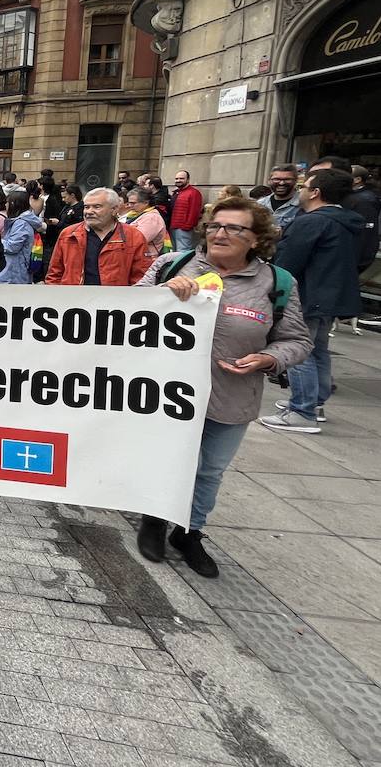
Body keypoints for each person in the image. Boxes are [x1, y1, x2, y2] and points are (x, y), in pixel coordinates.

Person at [136, 197, 312, 577]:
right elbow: (127, 315)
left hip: (231, 397)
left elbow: (297, 340)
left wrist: (269, 359)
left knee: (210, 469)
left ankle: (189, 532)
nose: (221, 233)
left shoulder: (277, 283)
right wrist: (161, 295)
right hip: (165, 394)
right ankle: (154, 519)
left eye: (234, 228)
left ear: (256, 239)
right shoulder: (171, 265)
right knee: (165, 459)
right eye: (215, 225)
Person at [258, 168, 364, 433]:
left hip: (308, 295)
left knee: (297, 351)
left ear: (316, 193)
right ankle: (314, 402)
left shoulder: (312, 222)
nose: (301, 191)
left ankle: (302, 410)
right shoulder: (346, 220)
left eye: (305, 187)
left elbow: (288, 264)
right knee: (317, 349)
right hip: (330, 296)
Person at [44, 188, 157, 287]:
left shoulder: (133, 237)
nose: (89, 212)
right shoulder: (68, 234)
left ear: (114, 210)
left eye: (97, 207)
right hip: (75, 304)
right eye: (86, 207)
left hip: (114, 306)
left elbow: (141, 278)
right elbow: (54, 274)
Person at [0, 190, 45, 285]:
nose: (6, 206)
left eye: (7, 203)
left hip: (13, 274)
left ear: (13, 204)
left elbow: (12, 247)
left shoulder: (21, 224)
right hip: (14, 272)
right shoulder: (21, 222)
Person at [123, 186, 169, 253]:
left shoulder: (152, 218)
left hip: (146, 259)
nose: (129, 205)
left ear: (146, 203)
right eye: (129, 203)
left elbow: (138, 240)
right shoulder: (137, 214)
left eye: (133, 203)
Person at [167, 170, 204, 251]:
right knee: (174, 251)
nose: (178, 180)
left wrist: (187, 226)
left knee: (183, 251)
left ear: (188, 180)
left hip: (183, 228)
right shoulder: (176, 192)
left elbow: (194, 211)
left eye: (181, 178)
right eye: (176, 178)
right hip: (173, 226)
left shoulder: (194, 193)